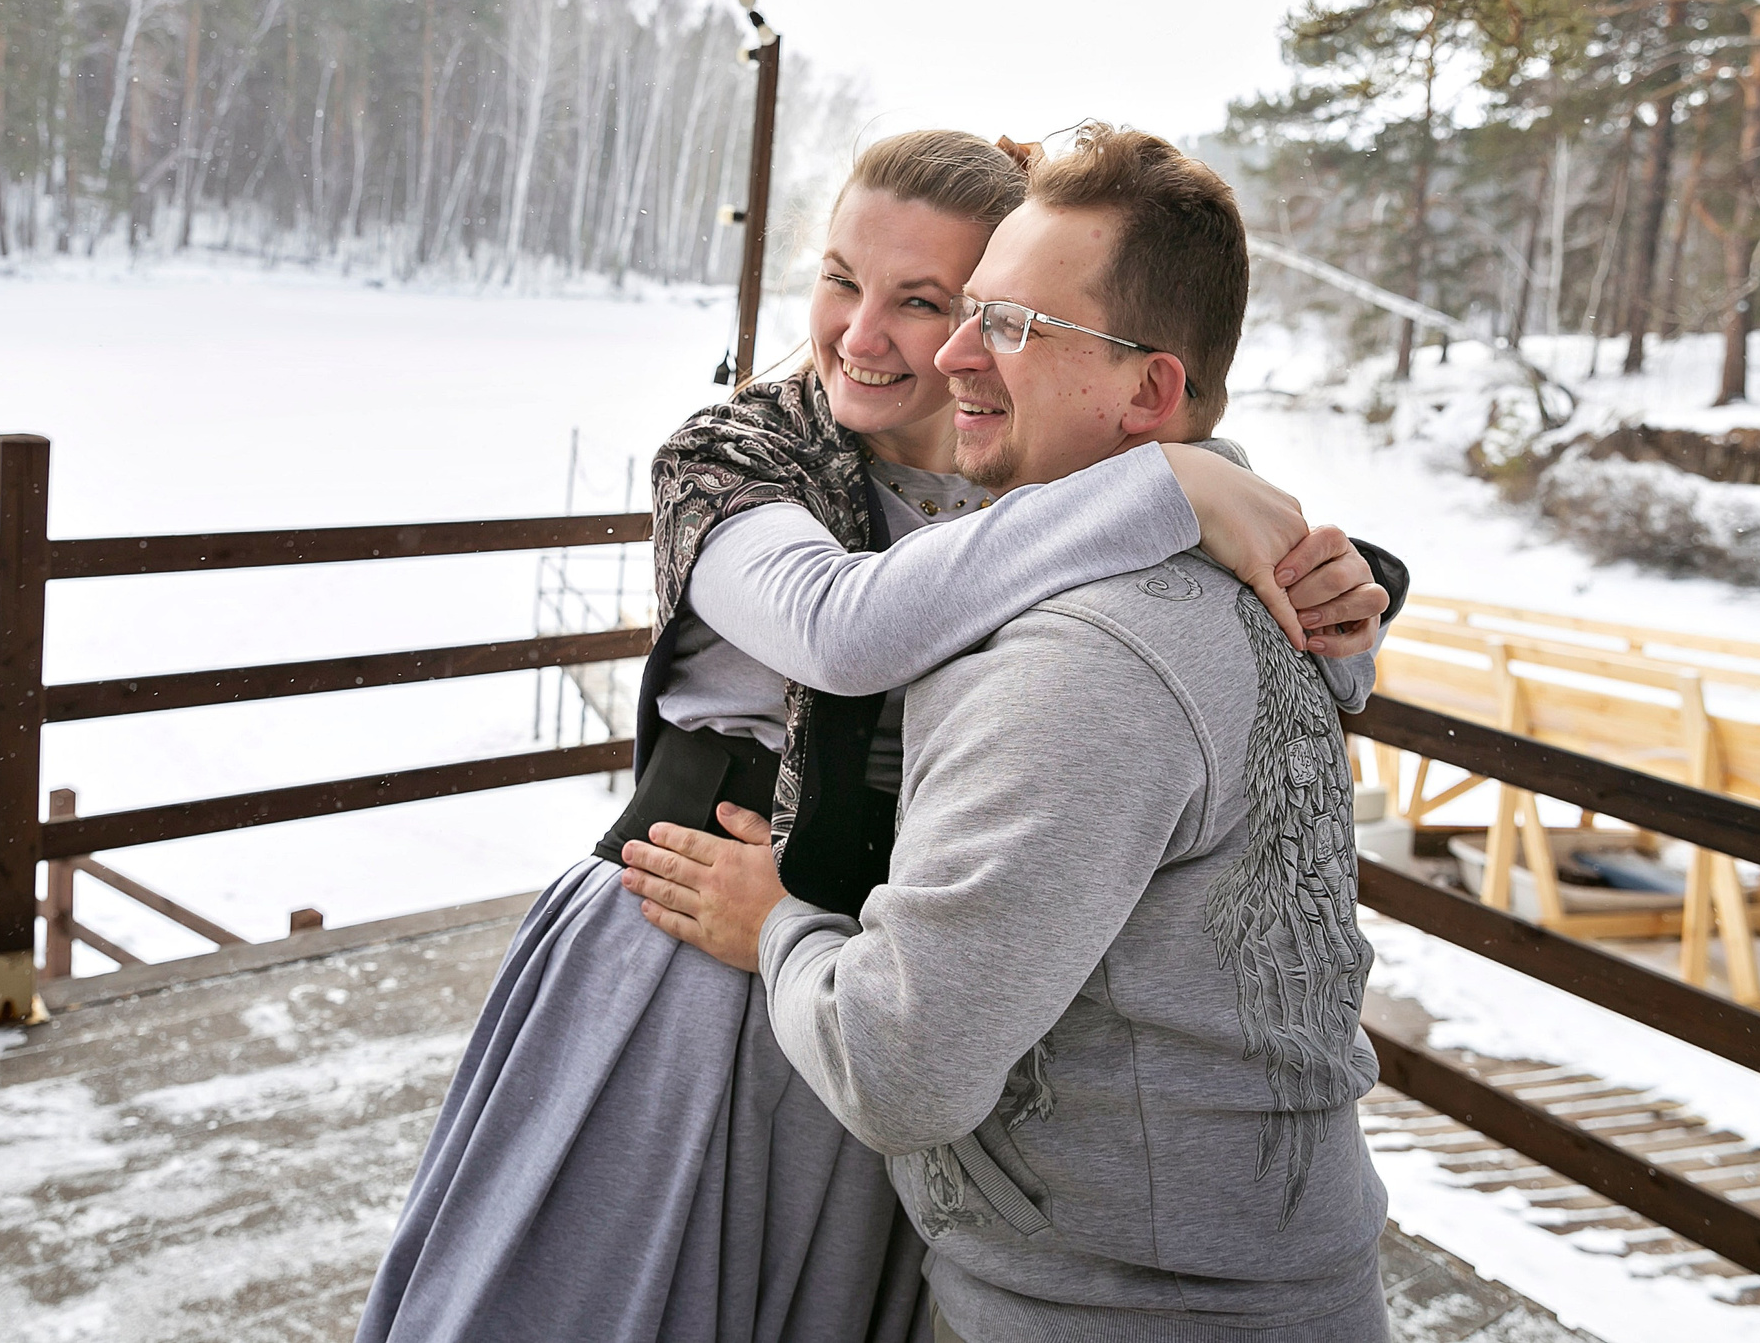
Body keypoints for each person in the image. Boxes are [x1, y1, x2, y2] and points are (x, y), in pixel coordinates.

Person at [355, 131, 1400, 1343]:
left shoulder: (1033, 462)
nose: (865, 335)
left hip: (898, 997)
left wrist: (1340, 594)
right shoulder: (740, 455)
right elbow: (838, 627)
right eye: (840, 278)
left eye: (937, 303)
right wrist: (1169, 487)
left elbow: (1205, 632)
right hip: (691, 937)